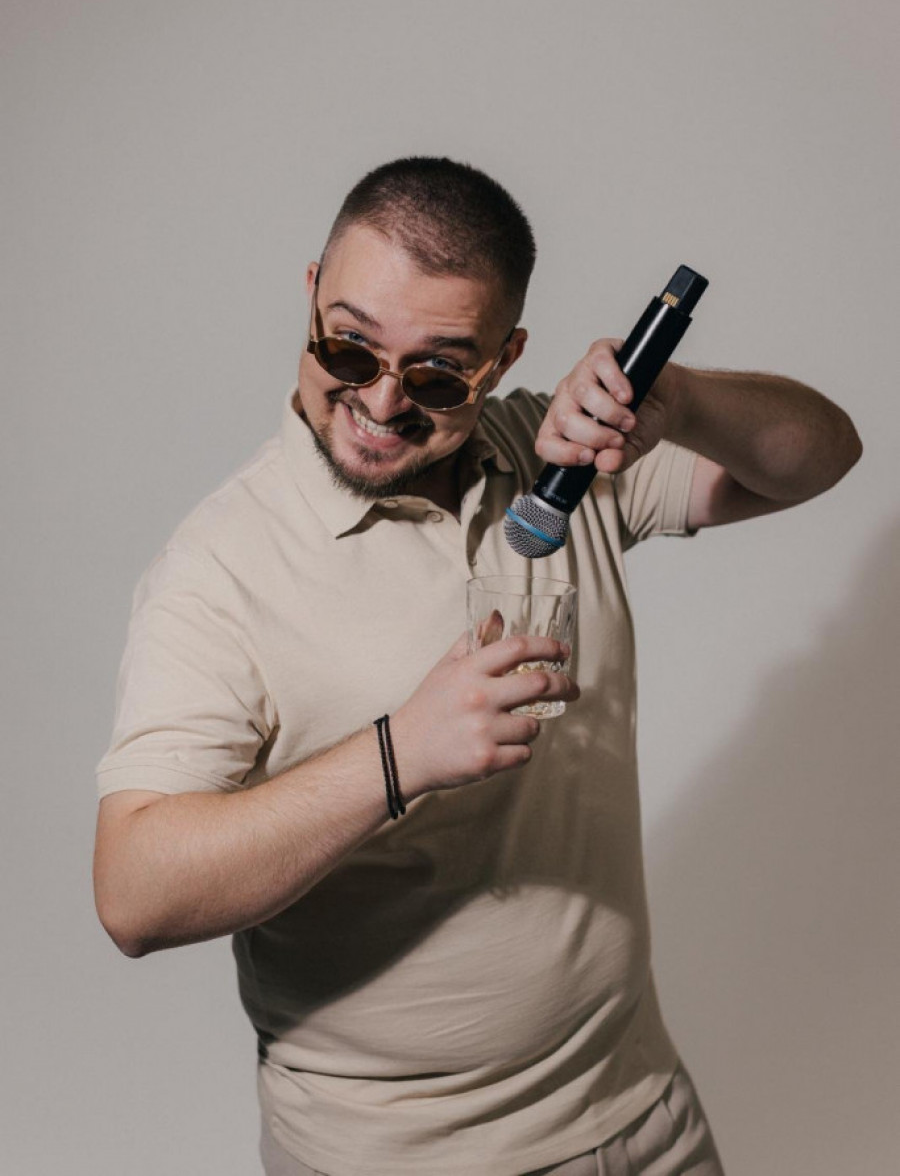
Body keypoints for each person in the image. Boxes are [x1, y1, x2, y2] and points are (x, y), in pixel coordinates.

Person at [93, 156, 861, 1176]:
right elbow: (133, 892)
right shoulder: (218, 571)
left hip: (644, 1113)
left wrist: (677, 397)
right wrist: (398, 755)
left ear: (503, 358)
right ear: (311, 293)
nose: (381, 399)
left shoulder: (558, 459)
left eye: (437, 372)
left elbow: (823, 454)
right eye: (349, 345)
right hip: (398, 1159)